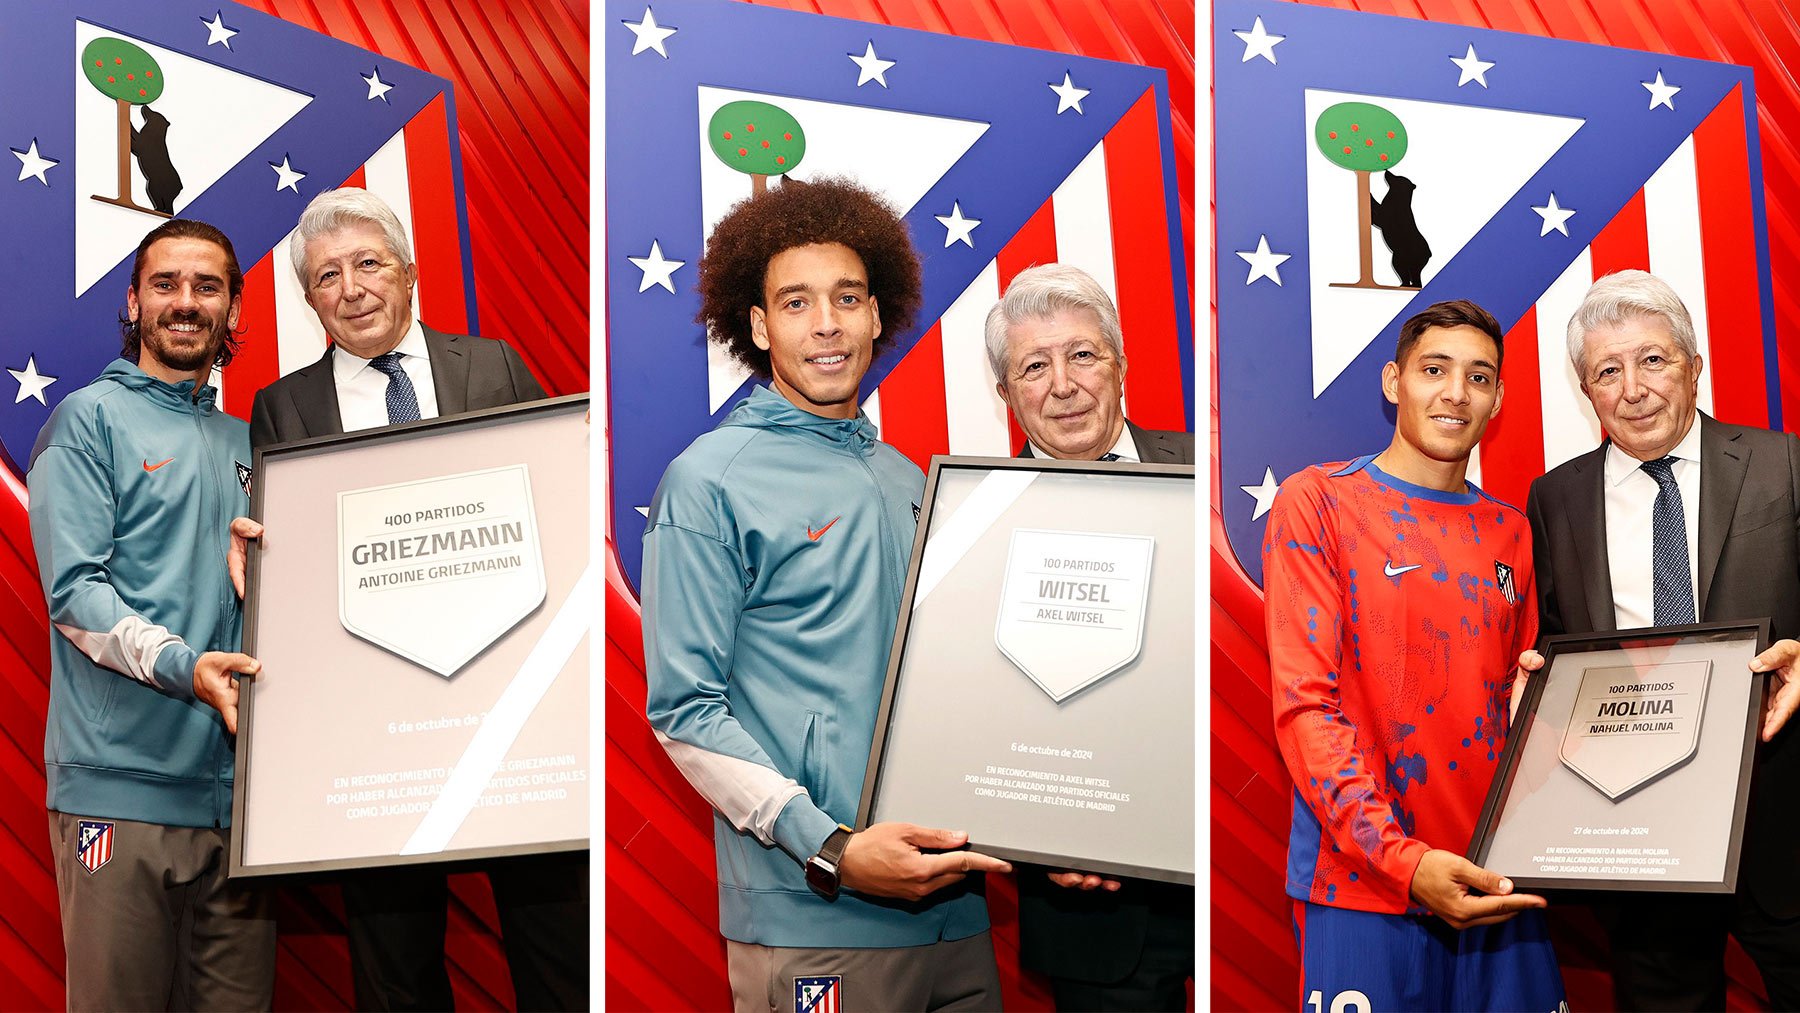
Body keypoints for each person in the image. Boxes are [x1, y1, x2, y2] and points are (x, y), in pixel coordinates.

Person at [642, 176, 1012, 1013]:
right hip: (818, 913)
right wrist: (834, 847)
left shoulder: (909, 478)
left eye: (847, 298)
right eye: (797, 302)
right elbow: (685, 712)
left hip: (953, 906)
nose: (826, 325)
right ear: (760, 324)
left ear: (878, 315)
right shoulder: (708, 480)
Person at [247, 187, 584, 1011]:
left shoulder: (496, 364)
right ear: (309, 299)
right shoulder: (283, 406)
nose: (352, 289)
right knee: (395, 970)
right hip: (374, 730)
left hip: (513, 718)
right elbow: (285, 572)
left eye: (368, 264)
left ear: (410, 274)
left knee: (559, 955)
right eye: (328, 276)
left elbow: (563, 501)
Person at [1262, 300, 1565, 1010]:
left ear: (1498, 397)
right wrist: (1406, 863)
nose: (1456, 392)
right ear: (1394, 381)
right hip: (1362, 886)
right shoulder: (1319, 503)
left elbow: (1523, 709)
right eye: (1435, 369)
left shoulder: (1512, 532)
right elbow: (1307, 709)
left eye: (1479, 376)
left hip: (1496, 882)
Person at [1524, 269, 1800, 1008]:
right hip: (1641, 825)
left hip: (1782, 815)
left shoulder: (1785, 464)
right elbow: (1559, 644)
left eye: (1653, 359)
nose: (1633, 388)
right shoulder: (1555, 498)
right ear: (1587, 393)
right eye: (1606, 370)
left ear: (1693, 365)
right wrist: (1540, 688)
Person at [29, 218, 275, 1010]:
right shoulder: (88, 419)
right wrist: (183, 663)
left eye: (208, 286)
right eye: (165, 284)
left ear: (234, 311)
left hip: (240, 804)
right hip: (119, 790)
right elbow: (76, 596)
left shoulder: (248, 441)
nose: (185, 301)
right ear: (133, 302)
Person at [983, 263, 1194, 1009]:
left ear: (1121, 364)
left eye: (1082, 354)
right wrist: (1046, 832)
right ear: (1007, 396)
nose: (1063, 385)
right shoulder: (975, 520)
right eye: (1034, 366)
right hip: (1091, 903)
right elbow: (973, 707)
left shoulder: (1212, 479)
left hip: (1237, 862)